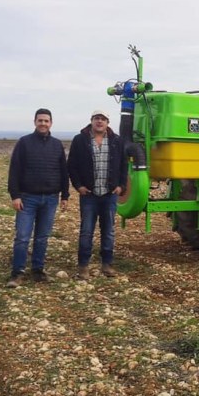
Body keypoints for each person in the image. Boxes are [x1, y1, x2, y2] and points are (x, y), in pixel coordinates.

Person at [6, 108, 69, 287]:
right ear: (35, 122)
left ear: (51, 123)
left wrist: (65, 195)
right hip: (27, 198)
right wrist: (15, 196)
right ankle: (17, 273)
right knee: (23, 237)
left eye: (46, 121)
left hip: (50, 199)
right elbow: (15, 170)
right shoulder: (24, 143)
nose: (43, 123)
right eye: (40, 120)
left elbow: (64, 172)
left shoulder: (57, 145)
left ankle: (38, 270)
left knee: (42, 237)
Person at [67, 110, 128, 280]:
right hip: (89, 195)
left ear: (108, 122)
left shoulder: (117, 141)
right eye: (96, 118)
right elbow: (72, 165)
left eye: (103, 119)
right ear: (91, 121)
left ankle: (107, 264)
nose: (99, 121)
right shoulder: (80, 140)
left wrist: (121, 186)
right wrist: (78, 186)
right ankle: (83, 266)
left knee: (108, 231)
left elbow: (124, 165)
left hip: (109, 194)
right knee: (86, 231)